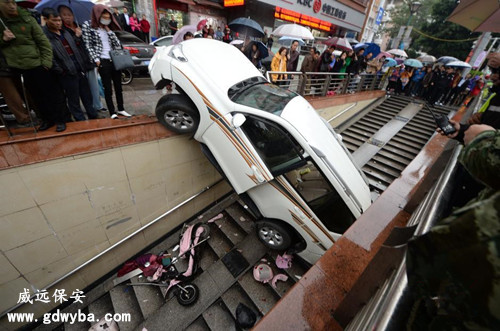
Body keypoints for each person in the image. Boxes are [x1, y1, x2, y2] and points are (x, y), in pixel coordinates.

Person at [406, 125, 499, 330]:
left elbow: (492, 164)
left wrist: (482, 138)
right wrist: (466, 131)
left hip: (477, 299)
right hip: (465, 283)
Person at [0, 0, 67, 131]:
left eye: (13, 2)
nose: (12, 6)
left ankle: (60, 120)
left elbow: (44, 42)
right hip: (16, 66)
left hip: (37, 63)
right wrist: (3, 39)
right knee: (35, 97)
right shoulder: (2, 23)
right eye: (7, 3)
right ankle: (47, 120)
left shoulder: (27, 19)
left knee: (50, 94)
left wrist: (46, 63)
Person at [42, 8, 97, 122]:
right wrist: (60, 70)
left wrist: (77, 37)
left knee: (87, 96)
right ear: (46, 20)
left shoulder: (65, 32)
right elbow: (49, 57)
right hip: (66, 72)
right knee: (73, 100)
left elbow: (76, 48)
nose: (58, 23)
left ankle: (93, 116)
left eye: (59, 20)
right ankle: (80, 120)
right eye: (54, 20)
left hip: (79, 69)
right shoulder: (45, 37)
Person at [82, 4, 132, 119]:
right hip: (102, 61)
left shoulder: (108, 28)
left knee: (119, 87)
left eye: (108, 17)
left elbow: (117, 45)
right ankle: (112, 112)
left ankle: (121, 109)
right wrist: (96, 59)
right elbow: (88, 44)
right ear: (98, 15)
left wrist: (109, 31)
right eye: (104, 17)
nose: (106, 19)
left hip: (114, 60)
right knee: (107, 88)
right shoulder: (88, 25)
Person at [58, 5, 103, 114]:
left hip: (88, 61)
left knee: (93, 87)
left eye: (69, 15)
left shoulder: (81, 26)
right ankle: (81, 113)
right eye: (64, 15)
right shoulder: (62, 31)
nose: (67, 17)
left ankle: (95, 108)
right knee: (77, 93)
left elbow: (89, 43)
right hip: (75, 65)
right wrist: (77, 37)